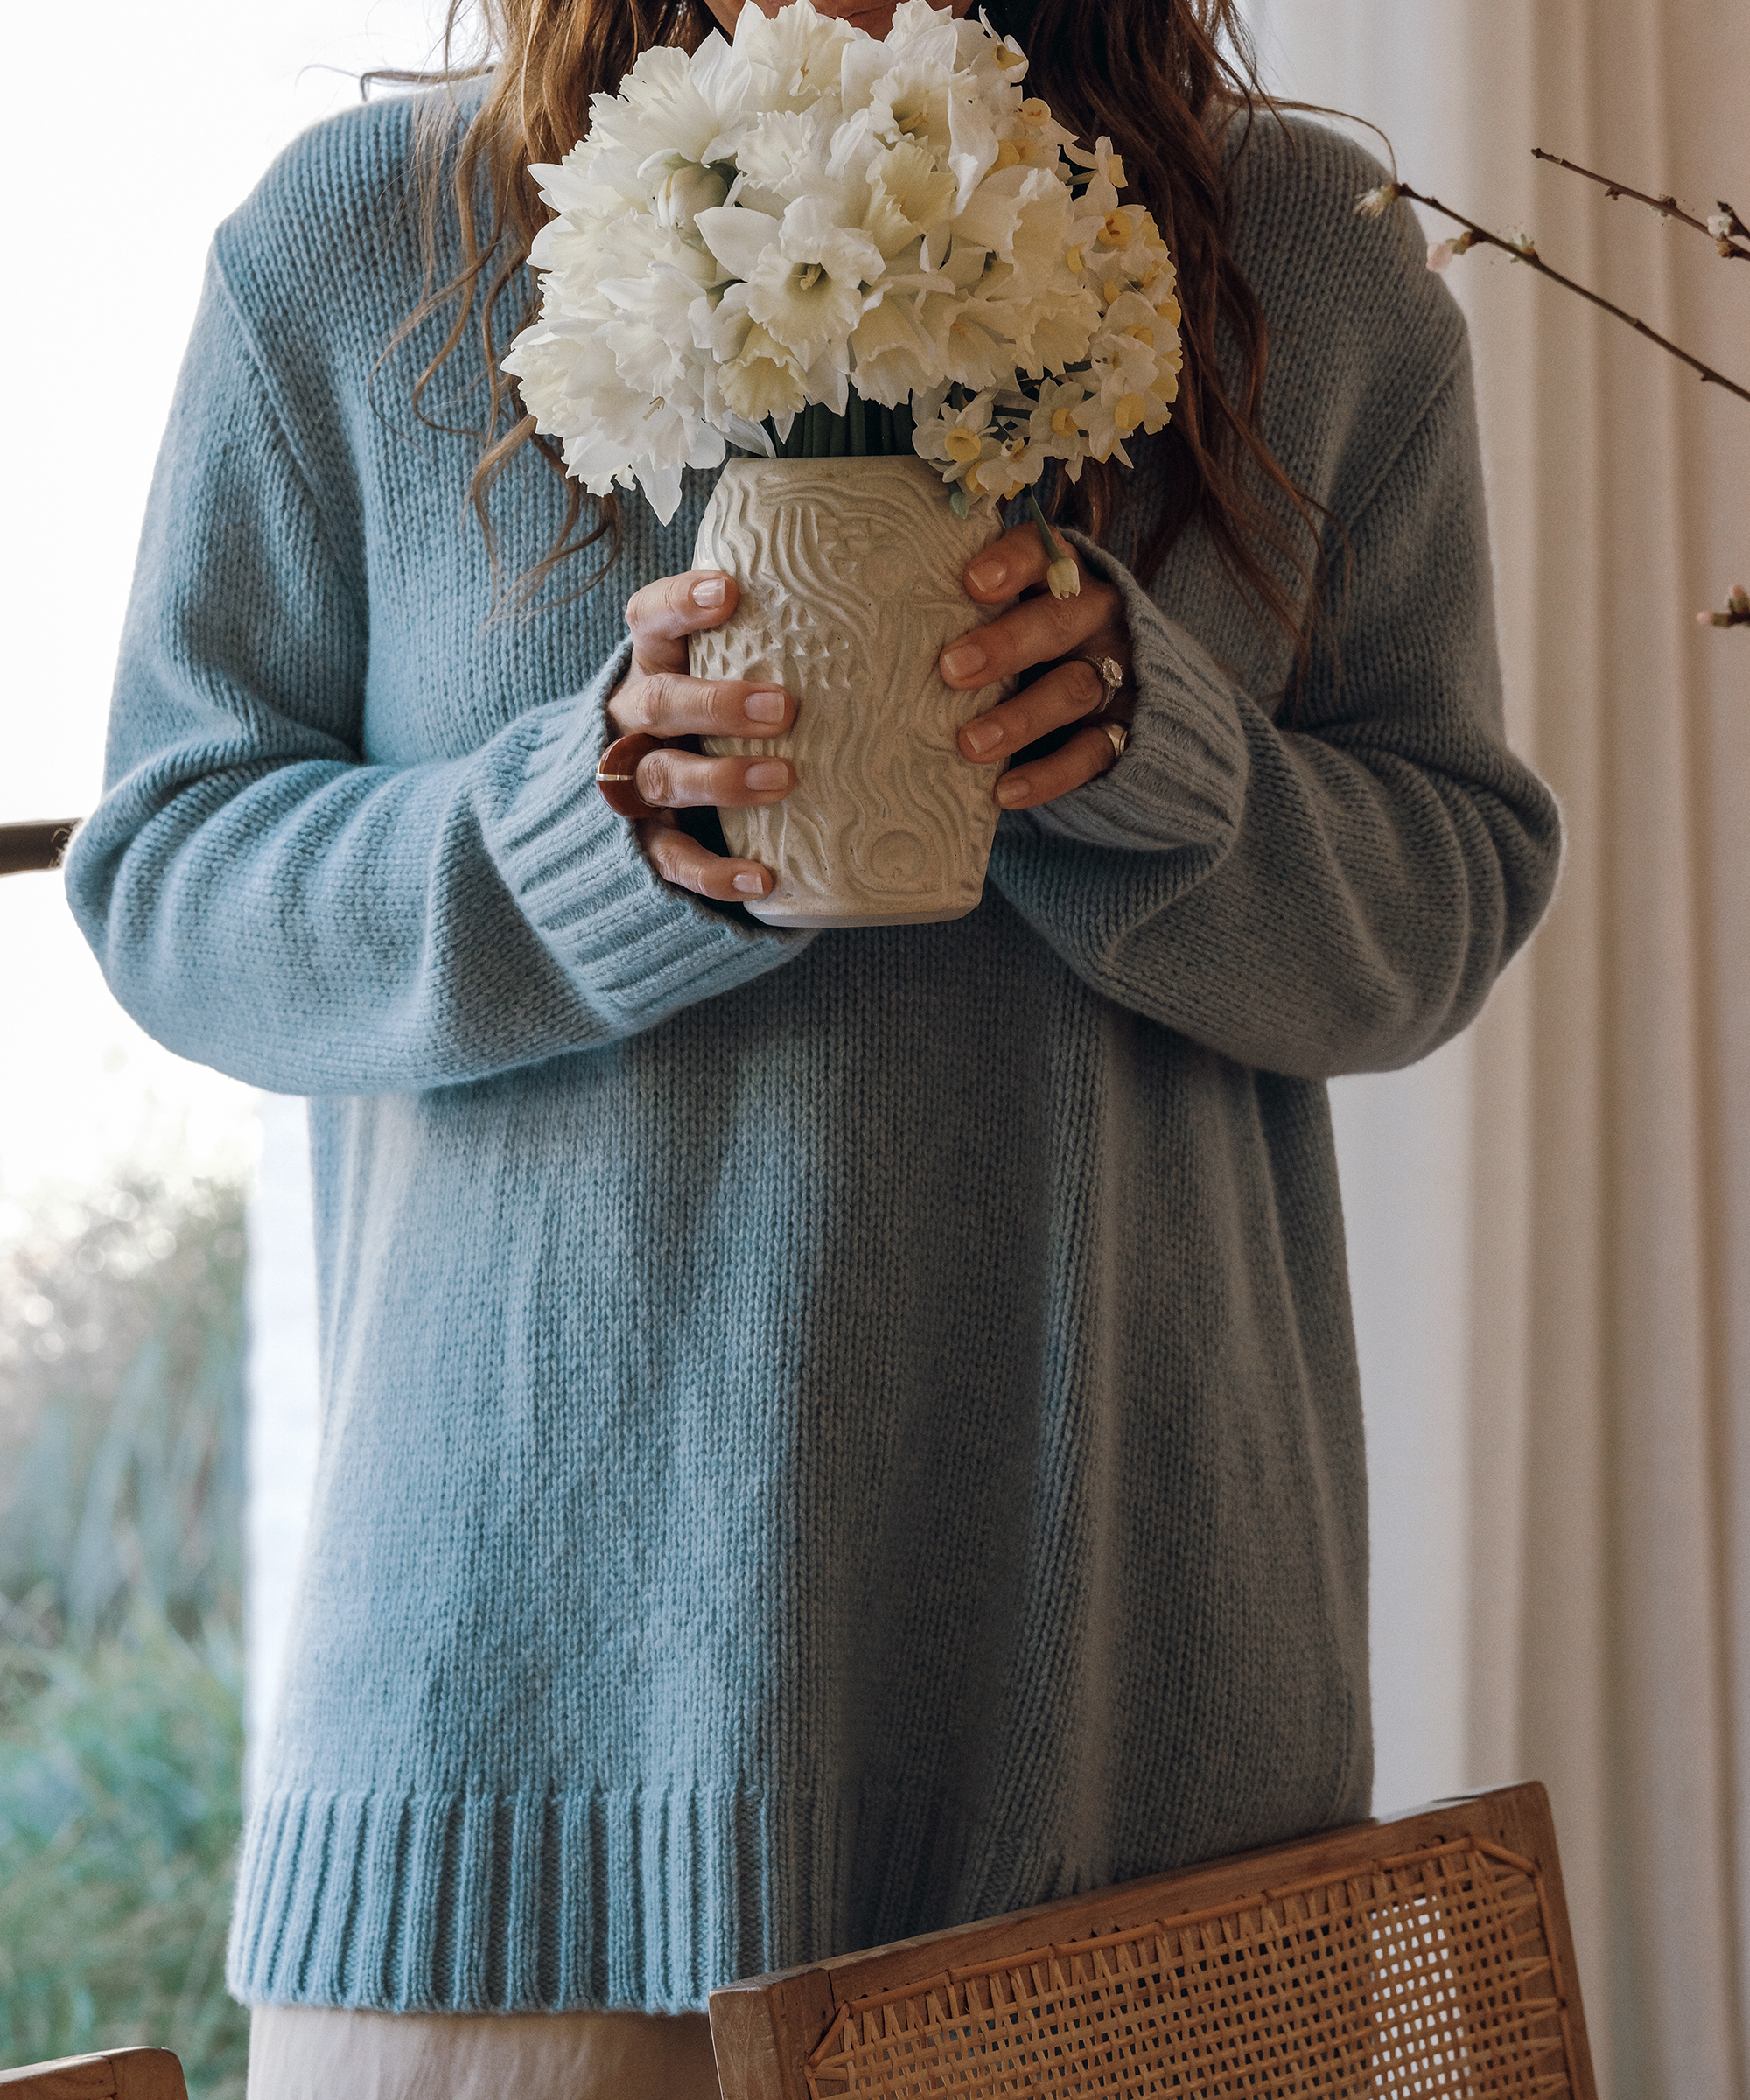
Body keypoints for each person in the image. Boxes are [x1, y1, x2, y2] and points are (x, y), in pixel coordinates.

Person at [65, 0, 1561, 2090]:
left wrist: (1161, 765)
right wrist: (580, 834)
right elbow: (170, 886)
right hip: (524, 1814)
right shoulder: (364, 245)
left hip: (1140, 1799)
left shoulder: (1291, 249)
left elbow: (1446, 893)